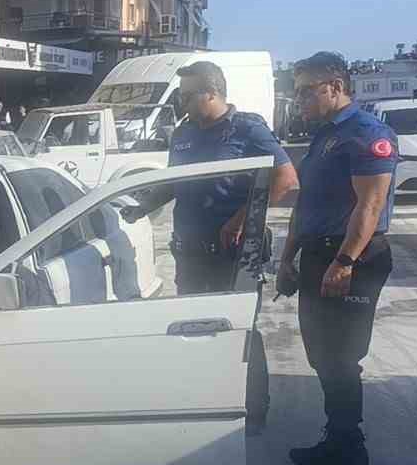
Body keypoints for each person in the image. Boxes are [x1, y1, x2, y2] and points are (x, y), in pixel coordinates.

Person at [121, 60, 298, 431]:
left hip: (235, 255)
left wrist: (240, 219)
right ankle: (207, 401)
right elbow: (172, 183)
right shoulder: (183, 133)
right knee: (195, 329)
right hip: (190, 252)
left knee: (238, 330)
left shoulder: (247, 129)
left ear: (212, 93)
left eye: (187, 96)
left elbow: (285, 179)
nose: (181, 103)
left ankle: (252, 411)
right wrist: (138, 208)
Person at [277, 52, 396, 465]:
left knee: (341, 359)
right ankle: (342, 440)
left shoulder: (366, 134)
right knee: (322, 357)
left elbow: (370, 205)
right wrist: (288, 258)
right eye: (297, 91)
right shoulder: (325, 136)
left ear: (336, 85)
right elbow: (305, 203)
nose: (300, 99)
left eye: (308, 90)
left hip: (352, 260)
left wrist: (344, 262)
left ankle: (345, 461)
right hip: (316, 255)